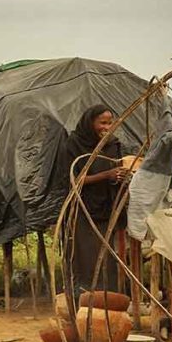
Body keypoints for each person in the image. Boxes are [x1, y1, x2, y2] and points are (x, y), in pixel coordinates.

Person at [60, 104, 128, 295]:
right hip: (82, 211)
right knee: (86, 258)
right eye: (102, 123)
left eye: (110, 123)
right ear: (90, 123)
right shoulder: (74, 144)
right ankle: (83, 303)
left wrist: (119, 177)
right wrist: (107, 174)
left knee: (107, 258)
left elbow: (117, 171)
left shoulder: (113, 145)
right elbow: (73, 180)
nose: (107, 127)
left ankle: (107, 302)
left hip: (106, 210)